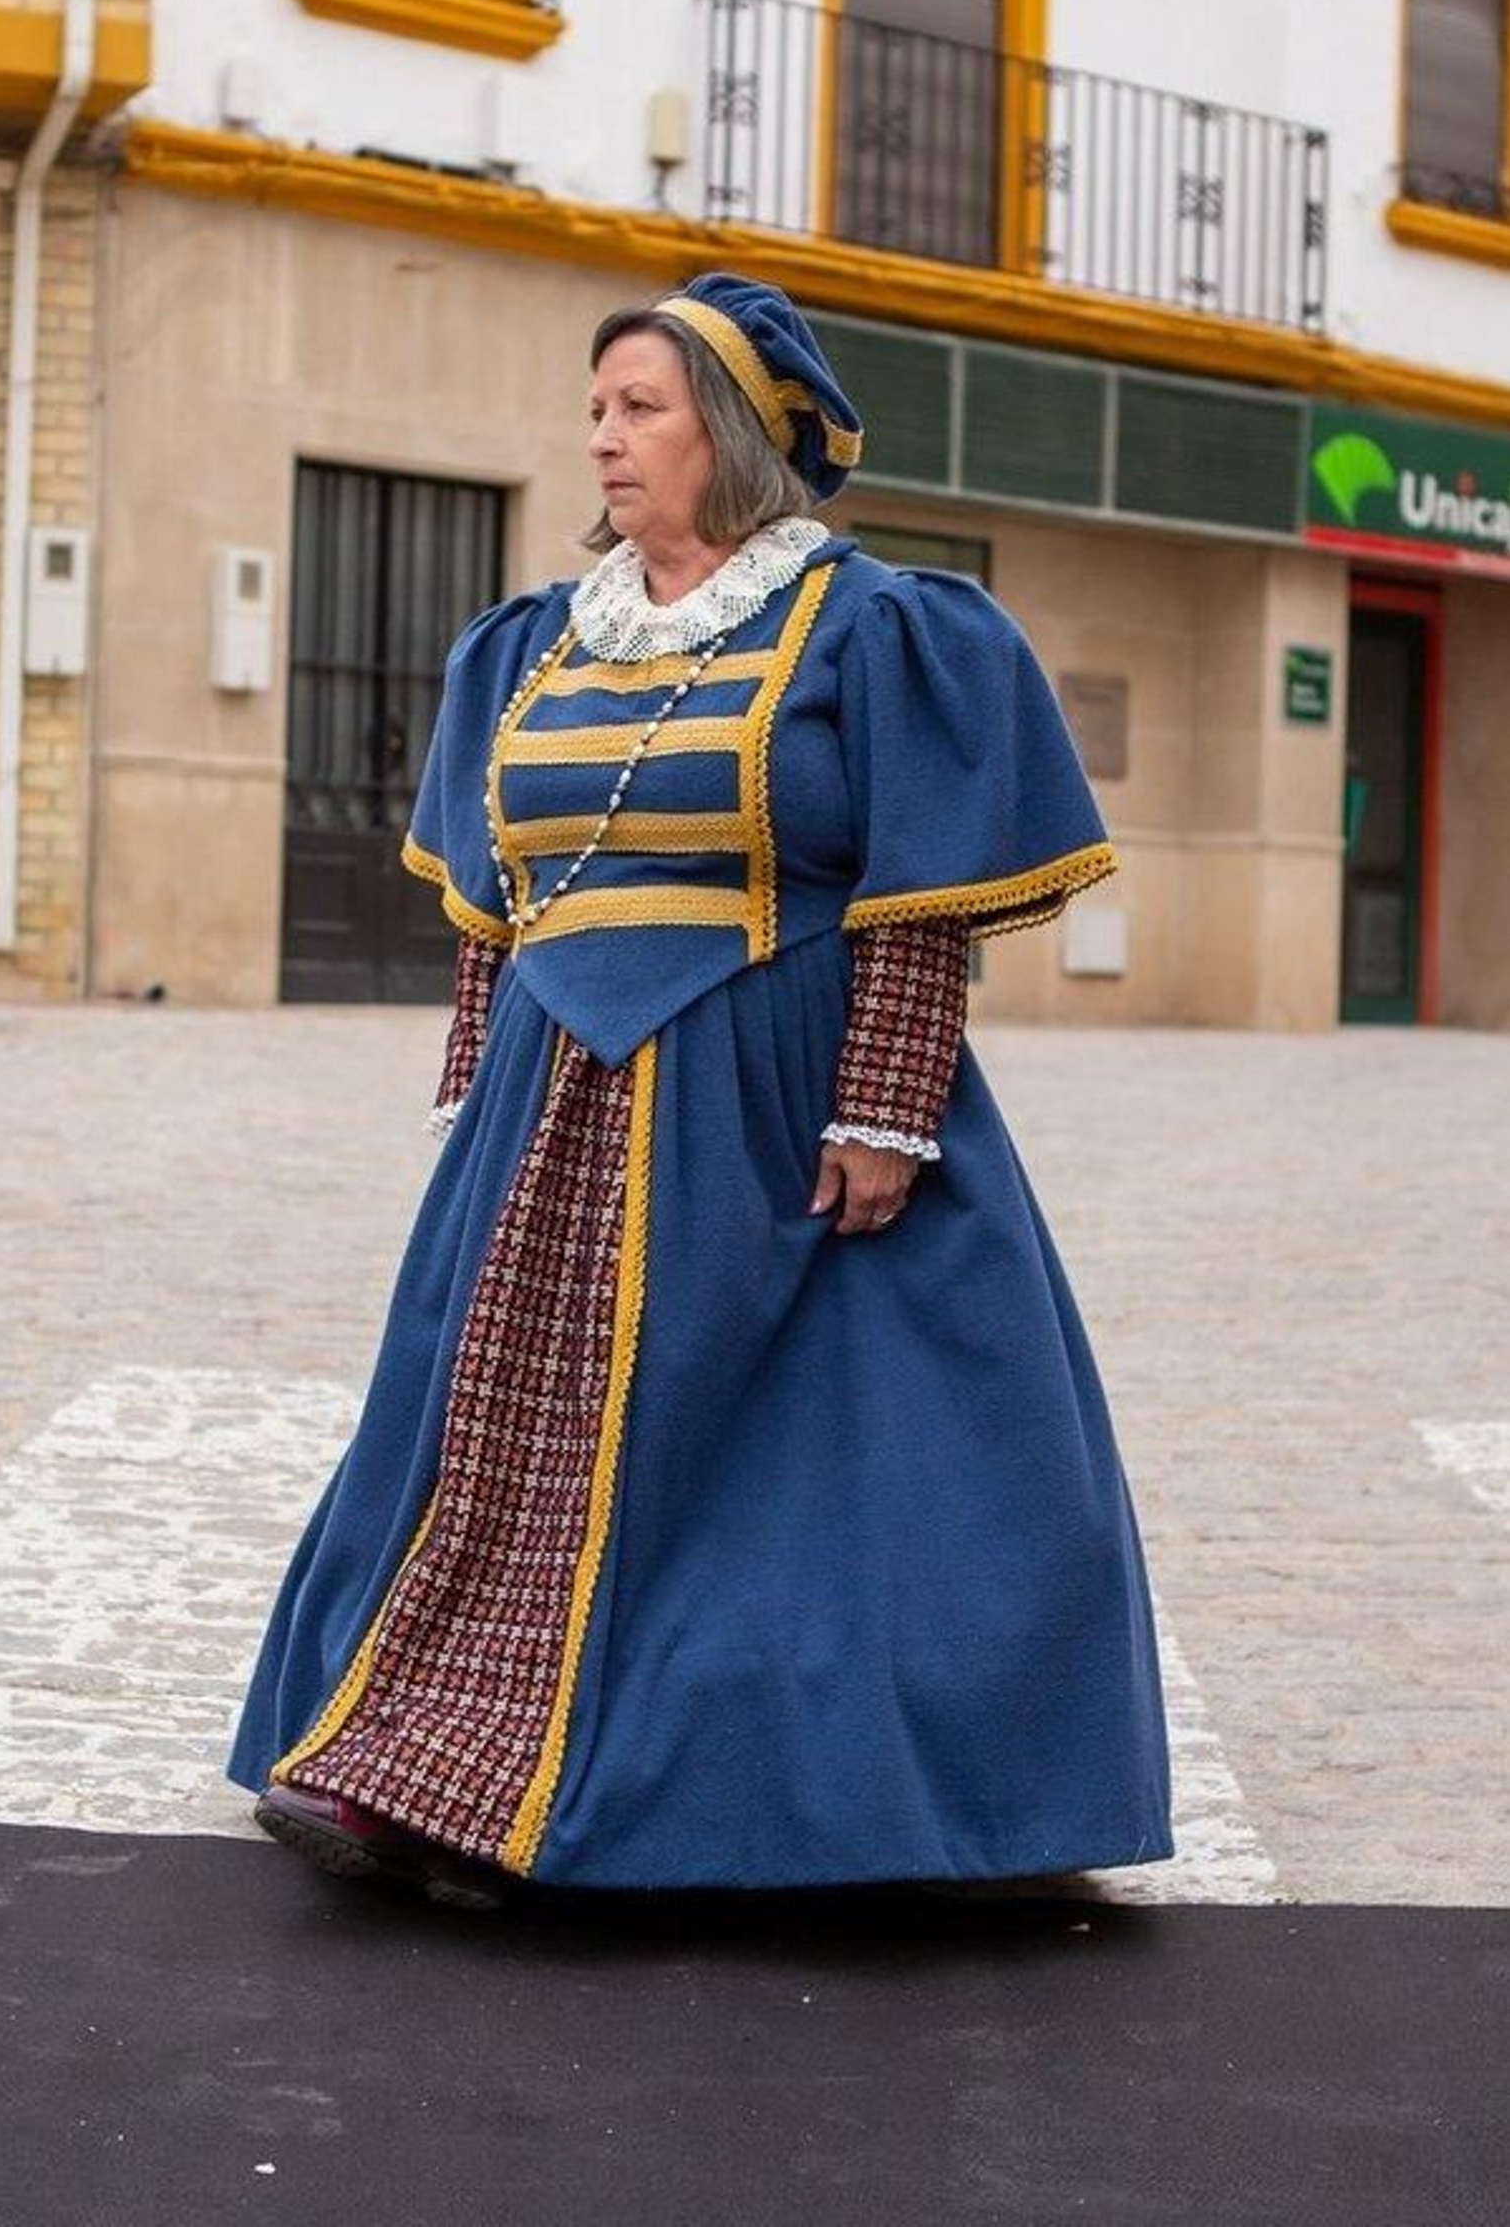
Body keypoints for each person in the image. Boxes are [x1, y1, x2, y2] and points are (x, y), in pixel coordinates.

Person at [230, 272, 1173, 1906]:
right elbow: (491, 900)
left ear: (728, 434)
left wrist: (887, 1108)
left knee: (803, 1463)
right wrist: (474, 1100)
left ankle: (845, 1809)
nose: (602, 437)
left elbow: (922, 893)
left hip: (774, 1092)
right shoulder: (531, 646)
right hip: (559, 1102)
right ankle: (423, 1772)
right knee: (495, 1436)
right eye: (595, 408)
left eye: (639, 408)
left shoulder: (874, 627)